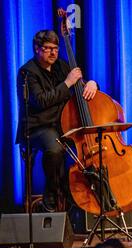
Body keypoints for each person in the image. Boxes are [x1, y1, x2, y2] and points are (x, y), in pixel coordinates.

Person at [16, 30, 97, 212]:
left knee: (84, 150)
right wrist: (67, 83)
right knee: (55, 149)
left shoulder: (61, 65)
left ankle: (77, 201)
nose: (53, 52)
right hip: (38, 126)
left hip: (62, 125)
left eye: (56, 48)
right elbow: (40, 101)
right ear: (37, 49)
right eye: (48, 48)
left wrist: (92, 83)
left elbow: (81, 84)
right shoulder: (27, 72)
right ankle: (50, 197)